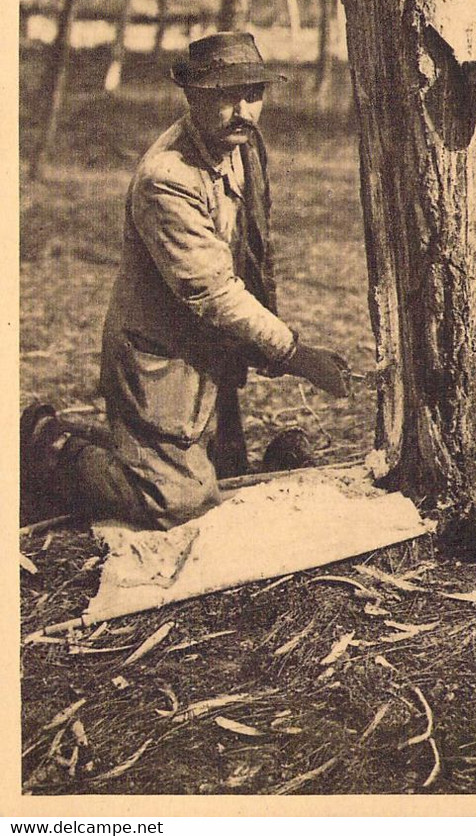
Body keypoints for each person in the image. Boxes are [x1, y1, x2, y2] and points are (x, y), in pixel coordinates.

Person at [21, 32, 350, 529]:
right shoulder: (167, 178)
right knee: (176, 503)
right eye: (224, 96)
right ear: (193, 96)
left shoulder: (242, 145)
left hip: (210, 351)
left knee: (225, 473)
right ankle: (50, 450)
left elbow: (253, 245)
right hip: (160, 356)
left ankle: (145, 447)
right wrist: (294, 355)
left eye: (253, 94)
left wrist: (257, 346)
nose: (243, 110)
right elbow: (211, 292)